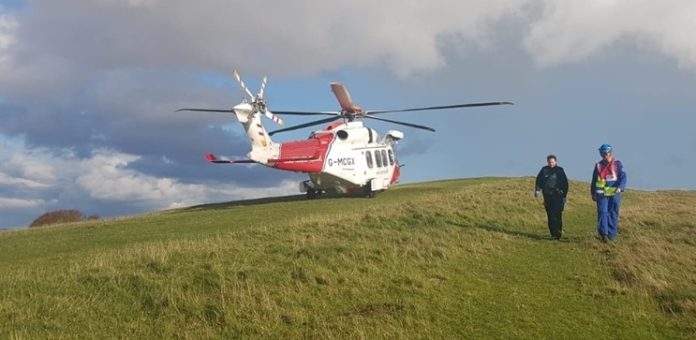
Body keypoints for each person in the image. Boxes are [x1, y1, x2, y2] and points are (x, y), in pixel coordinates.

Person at [590, 144, 627, 242]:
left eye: (604, 153)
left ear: (609, 153)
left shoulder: (617, 164)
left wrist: (620, 187)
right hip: (601, 194)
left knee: (613, 213)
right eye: (601, 153)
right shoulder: (598, 165)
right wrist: (593, 193)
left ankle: (612, 235)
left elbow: (623, 176)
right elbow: (594, 180)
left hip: (614, 193)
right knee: (603, 212)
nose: (603, 155)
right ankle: (604, 234)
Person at [535, 154, 569, 240]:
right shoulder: (544, 170)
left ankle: (558, 233)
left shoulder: (560, 170)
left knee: (557, 214)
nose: (551, 164)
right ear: (547, 162)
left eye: (552, 162)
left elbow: (565, 183)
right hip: (547, 196)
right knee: (550, 214)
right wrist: (537, 190)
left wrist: (564, 196)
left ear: (556, 162)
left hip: (558, 195)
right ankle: (553, 233)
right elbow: (539, 180)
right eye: (549, 162)